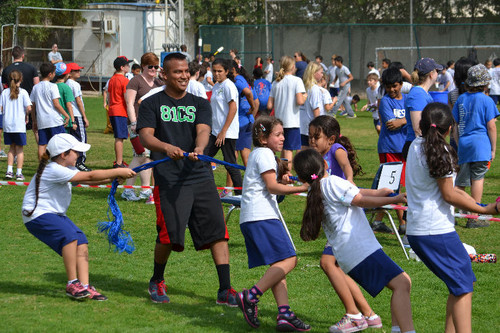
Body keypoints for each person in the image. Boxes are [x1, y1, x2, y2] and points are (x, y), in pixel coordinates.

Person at [137, 52, 238, 305]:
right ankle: (157, 279)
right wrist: (166, 147)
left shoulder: (199, 101)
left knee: (218, 231)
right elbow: (146, 136)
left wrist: (201, 148)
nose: (183, 76)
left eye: (185, 71)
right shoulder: (152, 103)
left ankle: (225, 290)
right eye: (177, 72)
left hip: (199, 174)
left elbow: (203, 129)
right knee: (169, 234)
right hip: (169, 178)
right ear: (165, 75)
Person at [293, 149, 415, 333]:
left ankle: (397, 329)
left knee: (403, 283)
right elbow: (359, 200)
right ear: (325, 164)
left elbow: (352, 192)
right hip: (360, 250)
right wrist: (394, 198)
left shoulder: (316, 189)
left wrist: (378, 192)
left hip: (350, 254)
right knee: (402, 284)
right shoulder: (332, 182)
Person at [406, 102, 500, 333]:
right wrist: (487, 209)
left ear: (422, 125)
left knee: (459, 284)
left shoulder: (414, 146)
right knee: (464, 287)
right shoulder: (442, 151)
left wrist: (484, 207)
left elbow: (450, 191)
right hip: (435, 232)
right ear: (449, 129)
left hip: (420, 231)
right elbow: (450, 194)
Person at [21, 133, 135, 301]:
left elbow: (90, 181)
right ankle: (72, 283)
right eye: (76, 152)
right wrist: (118, 169)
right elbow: (89, 176)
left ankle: (85, 286)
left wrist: (113, 178)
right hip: (37, 215)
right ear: (63, 155)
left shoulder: (67, 169)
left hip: (54, 214)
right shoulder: (54, 169)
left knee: (81, 240)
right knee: (70, 237)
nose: (79, 155)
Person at [235, 116, 310, 331]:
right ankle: (251, 296)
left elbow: (269, 182)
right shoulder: (266, 154)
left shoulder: (260, 154)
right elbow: (272, 188)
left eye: (283, 134)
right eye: (277, 134)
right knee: (290, 260)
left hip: (253, 216)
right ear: (263, 138)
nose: (283, 138)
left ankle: (284, 313)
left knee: (278, 265)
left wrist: (282, 180)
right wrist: (302, 188)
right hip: (261, 216)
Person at [308, 116, 382, 332]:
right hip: (335, 221)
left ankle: (355, 316)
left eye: (316, 137)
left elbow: (346, 166)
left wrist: (349, 181)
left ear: (330, 139)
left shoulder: (336, 149)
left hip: (344, 220)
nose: (312, 141)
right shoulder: (318, 156)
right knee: (337, 267)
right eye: (310, 136)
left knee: (328, 264)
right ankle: (369, 315)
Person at [452, 64, 499, 228]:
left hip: (464, 144)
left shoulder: (461, 99)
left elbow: (455, 126)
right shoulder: (487, 100)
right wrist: (493, 149)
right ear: (485, 84)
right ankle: (473, 216)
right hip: (481, 146)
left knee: (460, 182)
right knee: (477, 178)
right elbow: (491, 127)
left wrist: (459, 145)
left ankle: (450, 213)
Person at [122, 52, 163, 203]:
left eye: (156, 66)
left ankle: (130, 190)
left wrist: (164, 75)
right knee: (143, 155)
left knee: (143, 157)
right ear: (143, 66)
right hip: (138, 124)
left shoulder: (159, 82)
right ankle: (145, 190)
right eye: (150, 66)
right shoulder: (135, 81)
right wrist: (134, 123)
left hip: (153, 125)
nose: (153, 69)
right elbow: (129, 102)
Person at [372, 68, 408, 234]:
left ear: (401, 84)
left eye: (395, 86)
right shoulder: (385, 101)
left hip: (405, 150)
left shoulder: (408, 99)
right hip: (389, 149)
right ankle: (403, 224)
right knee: (393, 188)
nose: (392, 90)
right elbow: (391, 124)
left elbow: (416, 115)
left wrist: (403, 120)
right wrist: (405, 120)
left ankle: (378, 220)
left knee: (394, 186)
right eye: (388, 87)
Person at [204, 58, 243, 195]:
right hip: (215, 131)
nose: (217, 74)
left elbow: (233, 108)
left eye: (220, 71)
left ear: (227, 71)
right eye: (214, 71)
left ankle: (240, 195)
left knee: (230, 163)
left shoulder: (229, 86)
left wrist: (223, 131)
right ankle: (208, 189)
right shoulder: (216, 86)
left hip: (227, 133)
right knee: (204, 157)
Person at [267, 55, 306, 163]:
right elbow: (300, 101)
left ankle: (281, 173)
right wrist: (305, 96)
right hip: (292, 122)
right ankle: (286, 175)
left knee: (283, 149)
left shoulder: (276, 82)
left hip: (279, 121)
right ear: (293, 66)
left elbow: (269, 105)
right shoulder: (297, 81)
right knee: (289, 149)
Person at [402, 58, 442, 159]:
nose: (438, 74)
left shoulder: (422, 93)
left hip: (422, 146)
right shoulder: (418, 95)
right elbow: (418, 129)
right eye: (437, 71)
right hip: (417, 148)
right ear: (431, 74)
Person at [30, 63, 69, 160]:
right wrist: (66, 115)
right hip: (54, 120)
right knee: (60, 143)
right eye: (54, 73)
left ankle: (42, 168)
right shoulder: (53, 86)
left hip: (42, 121)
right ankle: (60, 165)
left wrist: (34, 121)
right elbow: (56, 104)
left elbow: (32, 106)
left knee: (42, 145)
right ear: (50, 74)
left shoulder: (36, 87)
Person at [2, 46, 40, 137]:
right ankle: (41, 148)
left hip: (12, 103)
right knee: (35, 129)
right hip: (30, 103)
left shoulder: (6, 70)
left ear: (12, 55)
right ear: (23, 55)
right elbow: (37, 85)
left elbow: (4, 86)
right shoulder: (31, 68)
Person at [1, 70, 32, 180]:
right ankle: (19, 173)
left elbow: (1, 108)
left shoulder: (4, 92)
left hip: (8, 124)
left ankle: (9, 171)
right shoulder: (23, 92)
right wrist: (27, 114)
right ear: (21, 79)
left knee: (11, 148)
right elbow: (29, 108)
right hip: (19, 125)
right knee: (19, 149)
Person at [108, 56, 133, 168]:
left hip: (113, 110)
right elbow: (127, 98)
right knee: (120, 137)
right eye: (127, 65)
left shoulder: (112, 79)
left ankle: (119, 161)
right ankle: (118, 162)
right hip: (120, 111)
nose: (129, 66)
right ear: (122, 67)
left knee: (119, 137)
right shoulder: (124, 80)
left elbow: (108, 95)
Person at [66, 62, 91, 171]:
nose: (79, 72)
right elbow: (78, 101)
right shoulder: (74, 84)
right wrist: (84, 116)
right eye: (76, 71)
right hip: (76, 114)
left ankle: (72, 161)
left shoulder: (66, 83)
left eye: (79, 70)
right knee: (81, 139)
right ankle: (80, 161)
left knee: (72, 139)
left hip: (70, 115)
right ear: (70, 73)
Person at [300, 61, 325, 149]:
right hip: (312, 125)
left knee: (303, 149)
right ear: (314, 72)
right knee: (312, 151)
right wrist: (319, 126)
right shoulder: (314, 89)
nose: (322, 75)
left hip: (303, 125)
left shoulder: (304, 86)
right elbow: (316, 109)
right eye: (321, 72)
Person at [54, 63, 76, 135]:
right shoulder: (66, 87)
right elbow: (69, 105)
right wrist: (73, 121)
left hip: (54, 119)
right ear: (66, 75)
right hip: (65, 120)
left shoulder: (53, 86)